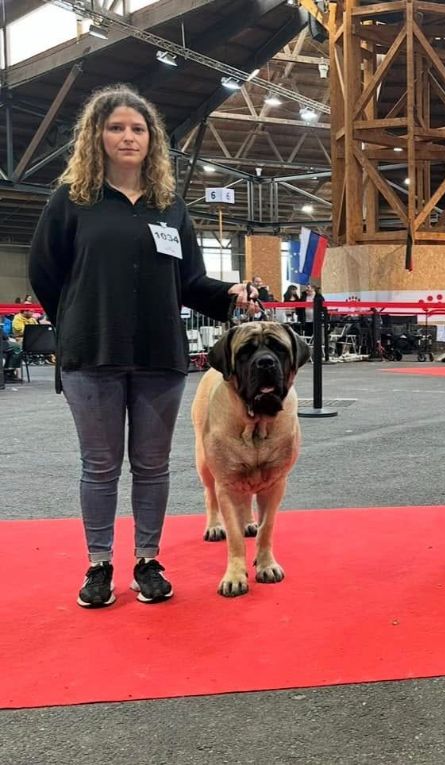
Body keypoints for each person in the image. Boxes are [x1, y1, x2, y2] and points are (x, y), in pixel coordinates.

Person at [29, 84, 258, 609]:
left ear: (152, 139)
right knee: (100, 466)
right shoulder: (71, 201)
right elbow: (46, 274)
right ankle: (99, 564)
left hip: (160, 355)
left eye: (138, 128)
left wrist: (231, 294)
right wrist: (74, 324)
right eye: (116, 128)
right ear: (97, 136)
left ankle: (148, 561)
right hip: (93, 354)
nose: (128, 136)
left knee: (153, 466)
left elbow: (191, 280)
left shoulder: (170, 207)